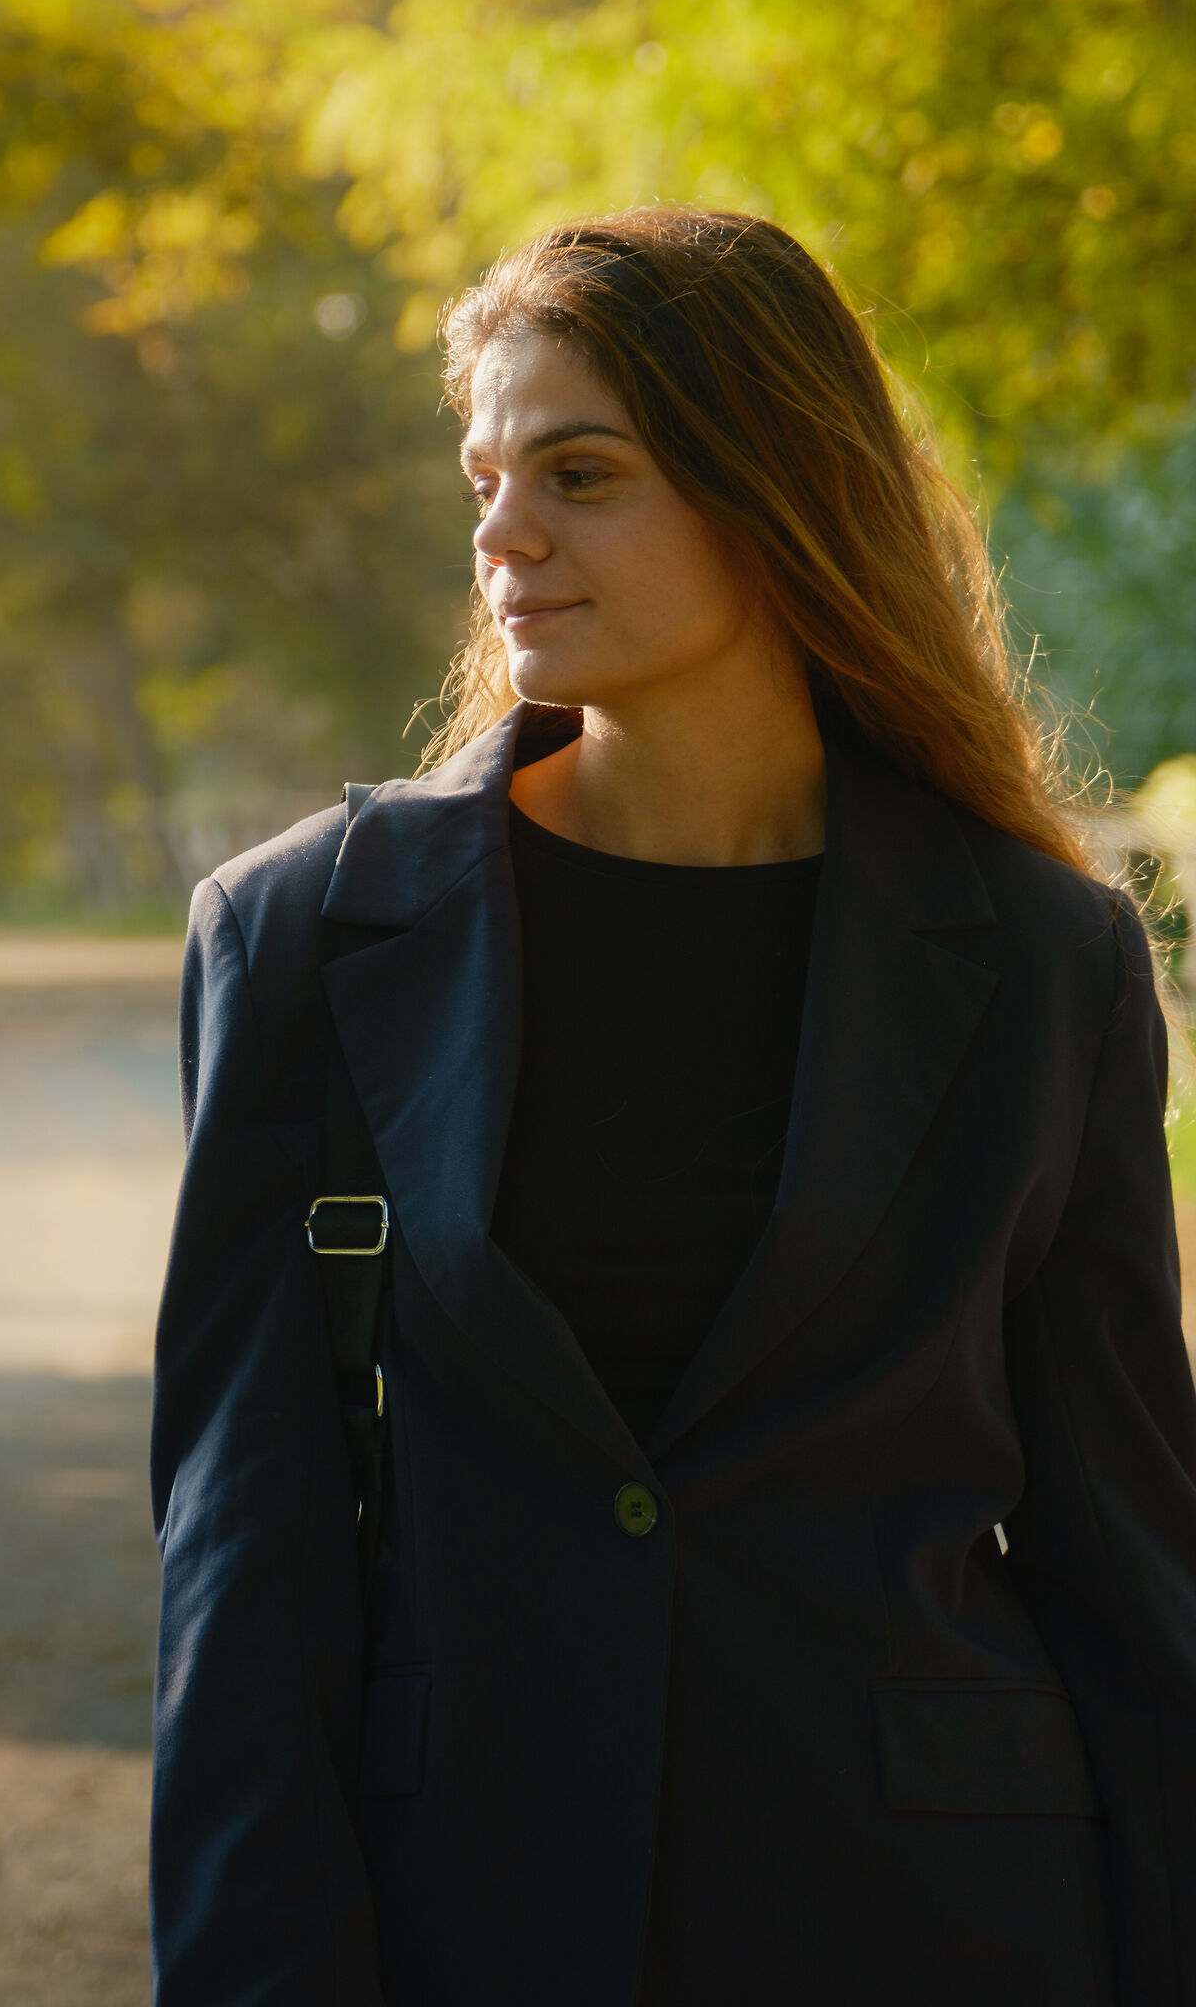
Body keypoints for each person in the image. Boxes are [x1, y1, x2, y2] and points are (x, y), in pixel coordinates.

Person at [149, 208, 1196, 2006]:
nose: (502, 532)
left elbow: (1132, 1559)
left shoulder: (1044, 963)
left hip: (945, 1931)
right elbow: (245, 1556)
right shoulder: (311, 934)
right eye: (485, 476)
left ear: (775, 488)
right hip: (471, 1911)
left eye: (580, 471)